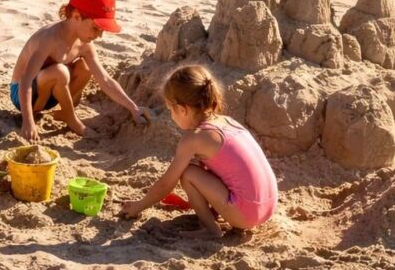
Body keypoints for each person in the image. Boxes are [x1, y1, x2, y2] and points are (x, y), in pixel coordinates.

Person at [119, 66, 277, 238]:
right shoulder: (227, 121)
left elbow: (166, 184)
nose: (171, 116)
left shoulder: (193, 139)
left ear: (182, 109)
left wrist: (139, 206)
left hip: (246, 214)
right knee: (199, 166)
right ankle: (216, 213)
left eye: (171, 110)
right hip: (268, 206)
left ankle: (211, 229)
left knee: (188, 173)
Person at [10, 0, 147, 142]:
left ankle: (65, 112)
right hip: (22, 95)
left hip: (49, 93)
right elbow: (26, 80)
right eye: (96, 28)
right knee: (60, 71)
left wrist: (134, 109)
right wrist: (28, 121)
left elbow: (105, 80)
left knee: (86, 67)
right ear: (76, 17)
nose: (99, 35)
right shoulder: (50, 38)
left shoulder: (85, 45)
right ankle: (70, 118)